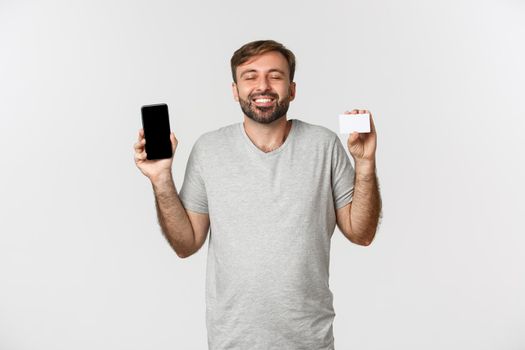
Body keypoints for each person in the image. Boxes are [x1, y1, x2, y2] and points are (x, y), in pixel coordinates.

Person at [133, 39, 382, 350]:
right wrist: (160, 179)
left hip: (309, 341)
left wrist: (365, 162)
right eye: (250, 76)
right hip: (233, 341)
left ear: (292, 89)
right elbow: (186, 244)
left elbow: (362, 233)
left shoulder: (324, 145)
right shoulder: (209, 150)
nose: (262, 86)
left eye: (275, 76)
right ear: (235, 90)